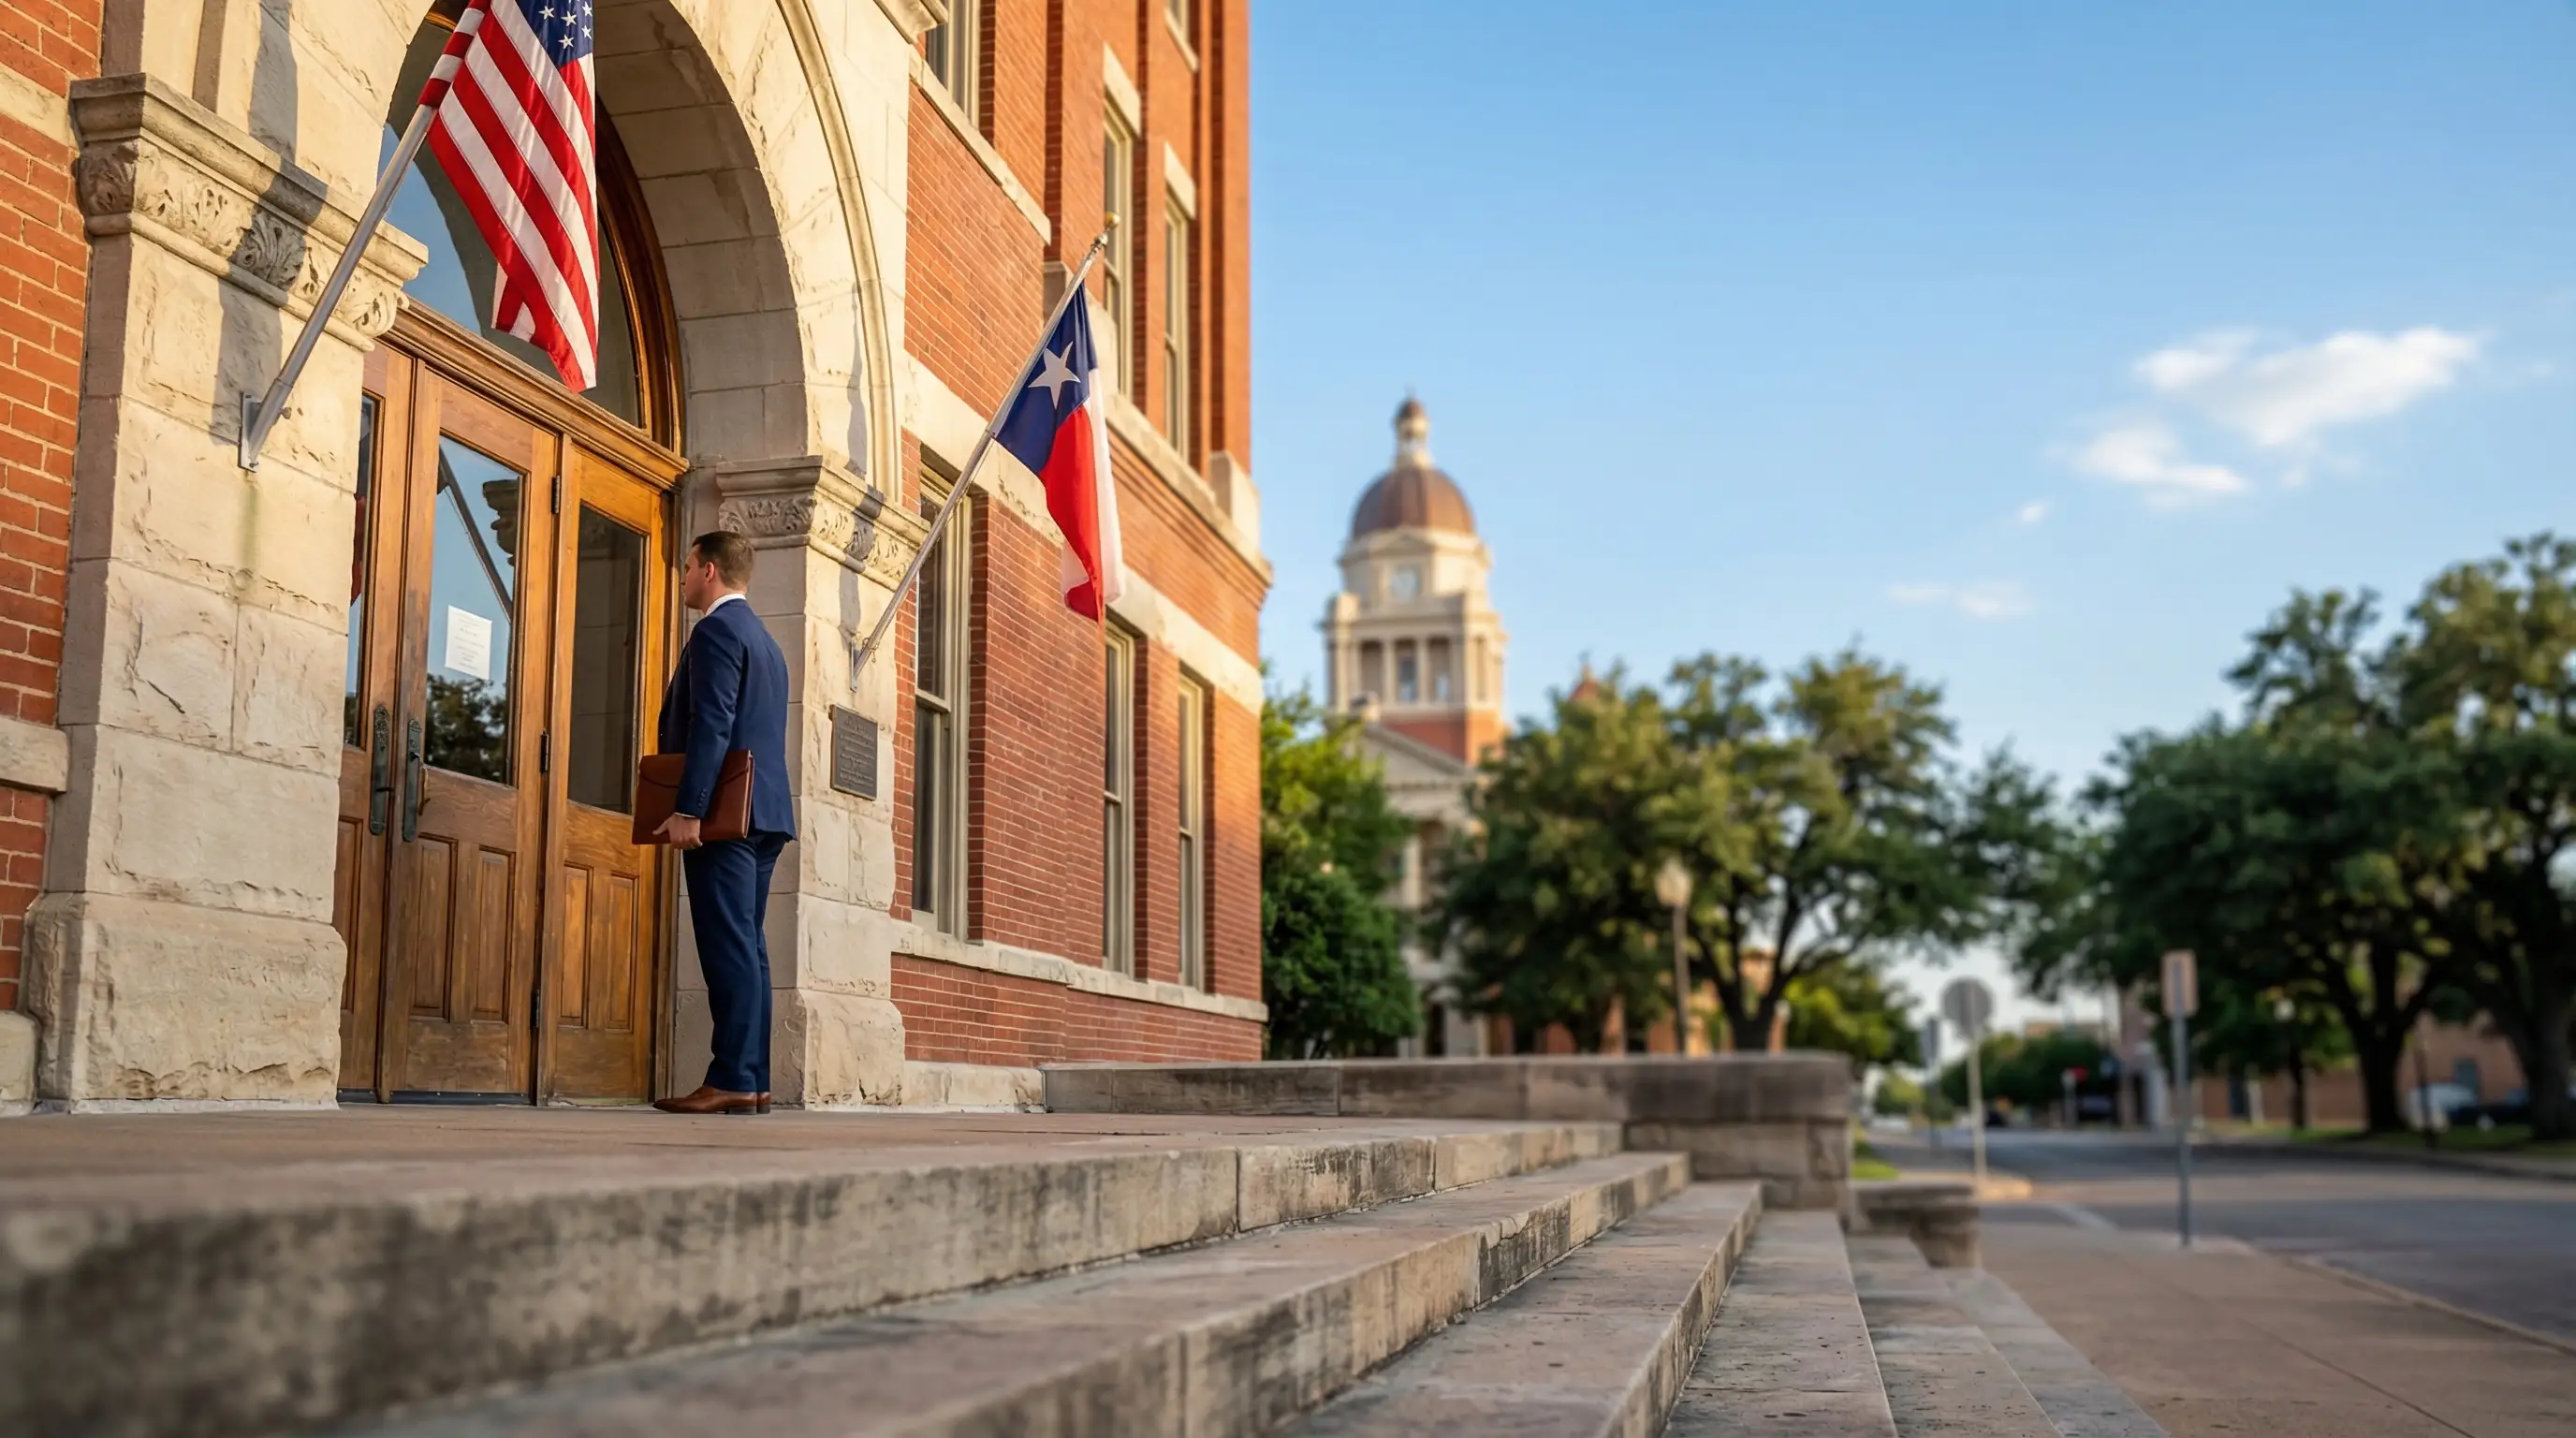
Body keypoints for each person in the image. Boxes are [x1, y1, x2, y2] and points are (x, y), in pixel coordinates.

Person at [651, 531, 794, 1115]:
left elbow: (712, 723)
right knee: (749, 946)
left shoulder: (715, 630)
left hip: (727, 817)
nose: (682, 577)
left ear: (709, 571)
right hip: (767, 813)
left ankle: (733, 1076)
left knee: (728, 946)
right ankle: (752, 1079)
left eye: (686, 568)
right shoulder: (766, 641)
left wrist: (690, 809)